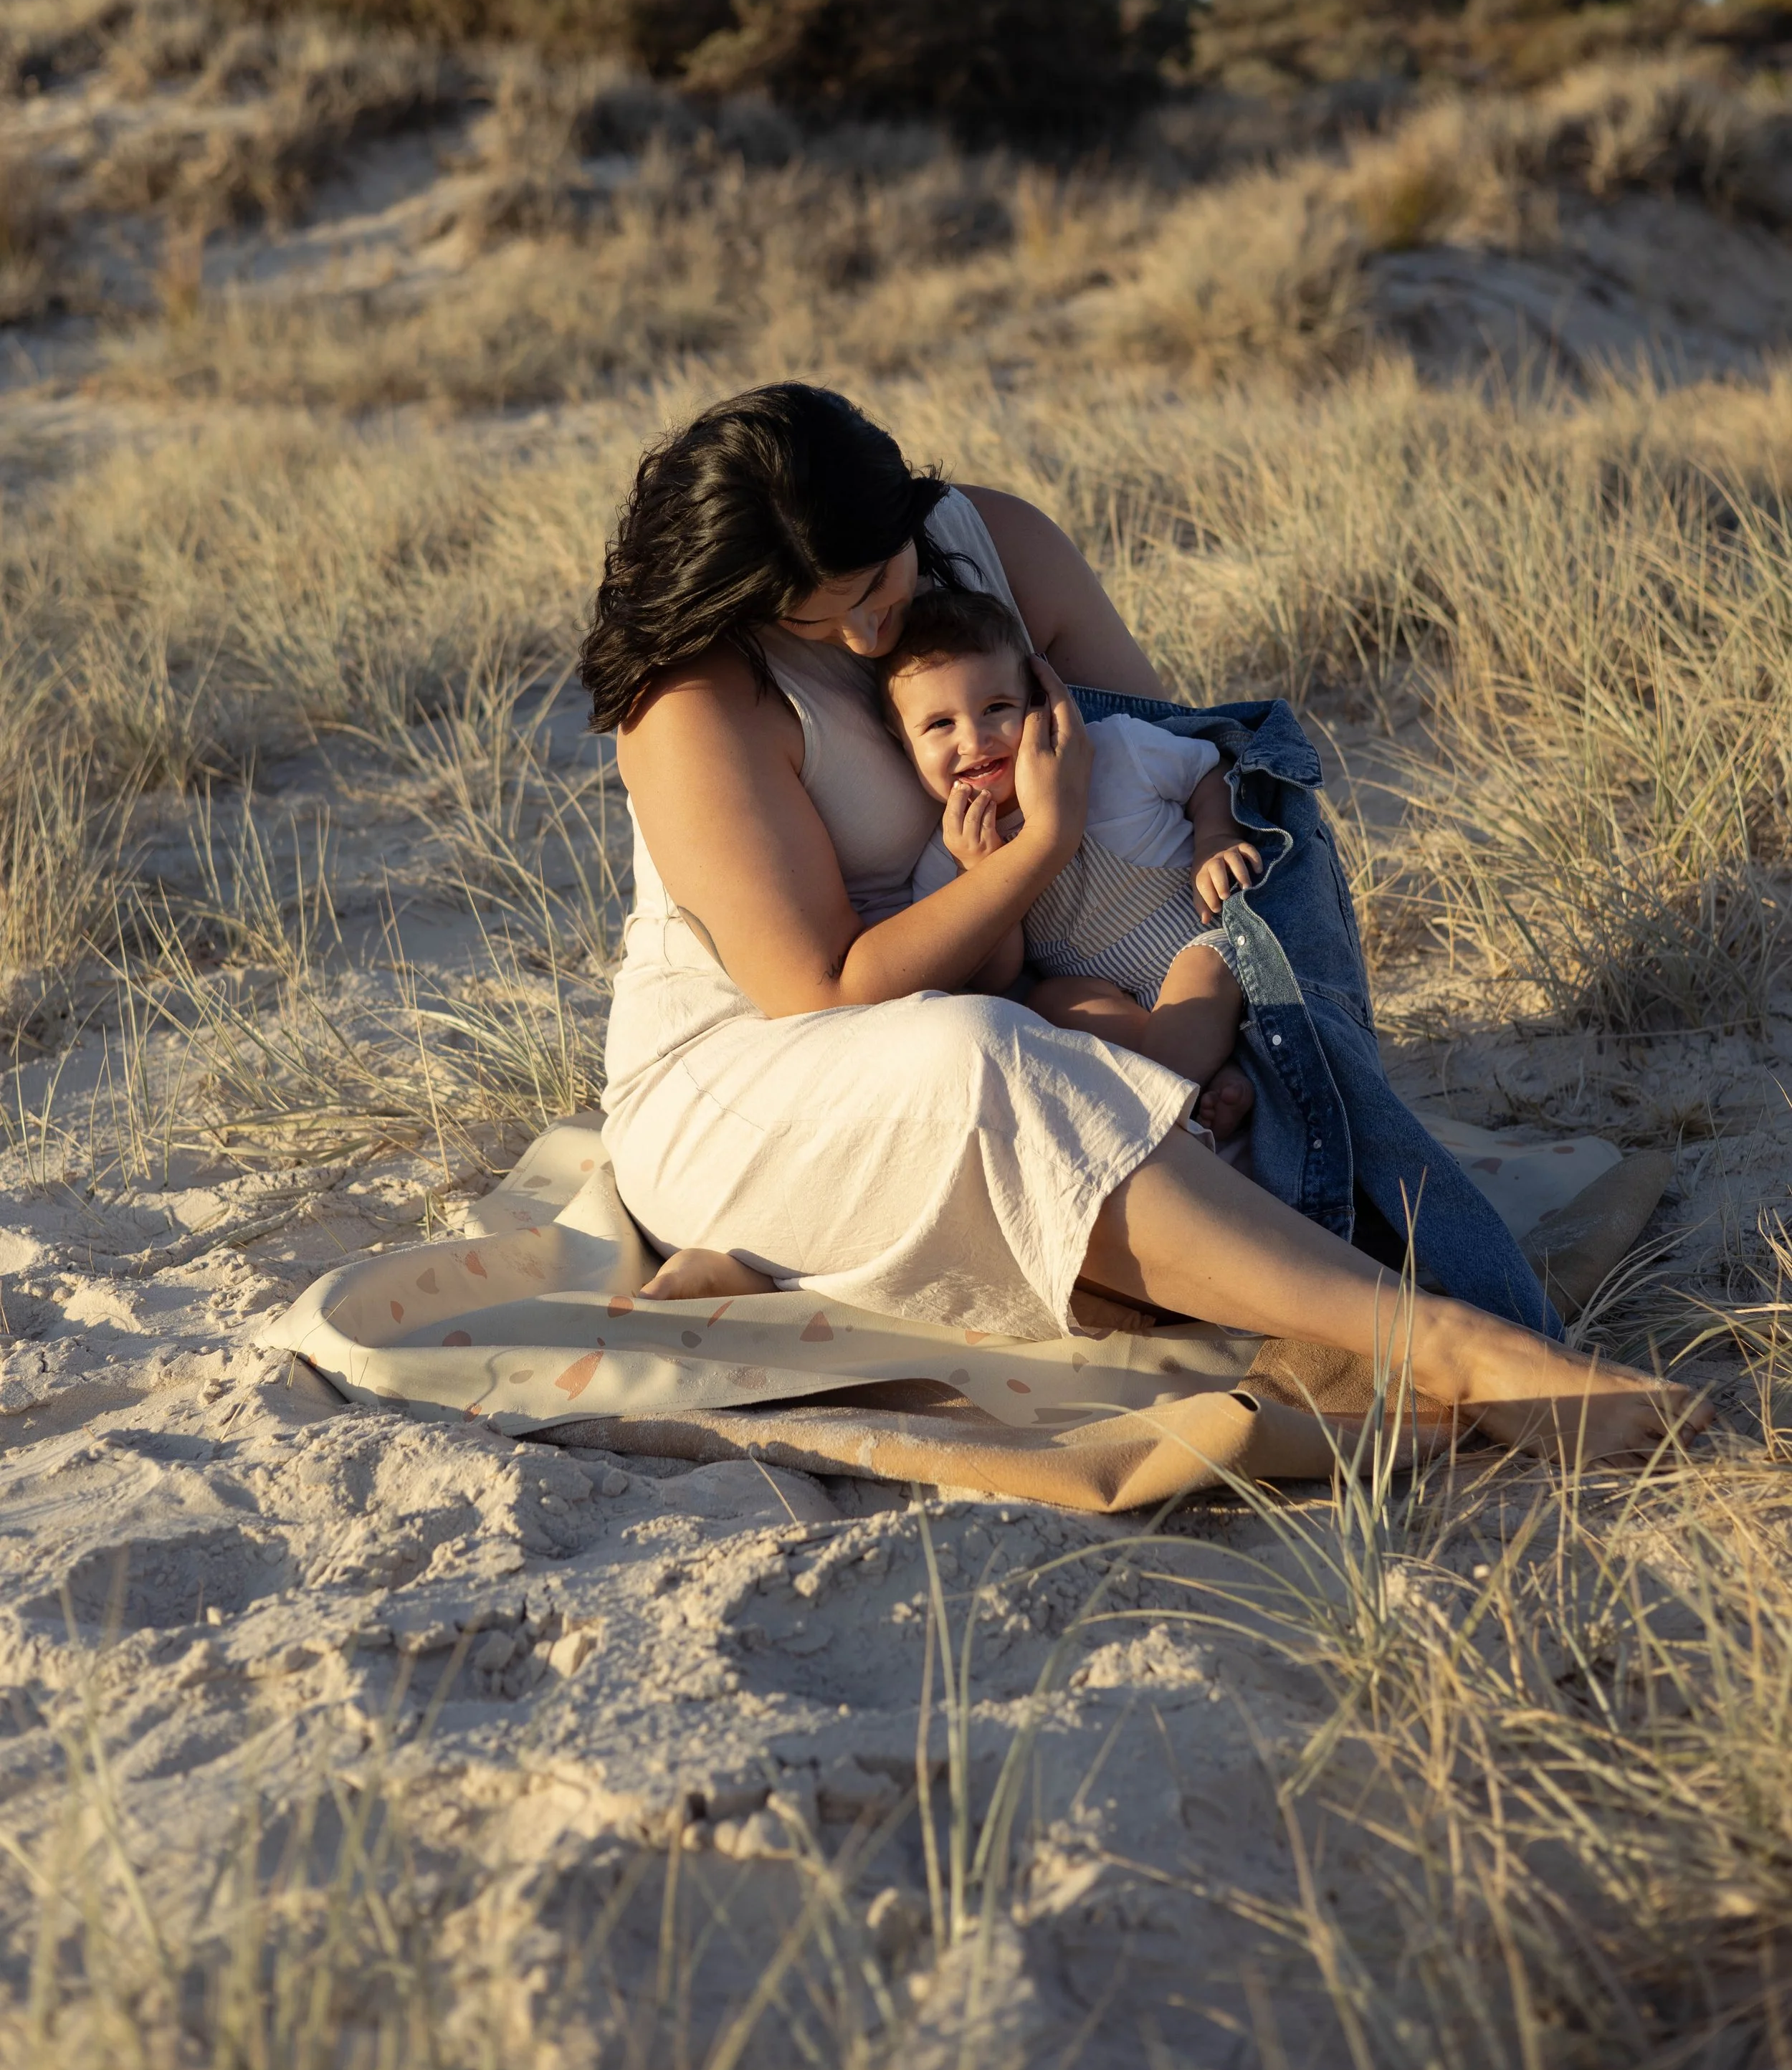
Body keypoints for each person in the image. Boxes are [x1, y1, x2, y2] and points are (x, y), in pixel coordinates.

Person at [582, 381, 1708, 1458]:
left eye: (881, 579)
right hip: (762, 1075)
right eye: (822, 619)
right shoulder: (694, 703)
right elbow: (821, 993)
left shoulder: (996, 544)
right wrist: (1041, 851)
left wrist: (1184, 927)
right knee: (982, 1054)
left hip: (1026, 979)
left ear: (906, 509)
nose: (876, 629)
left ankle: (874, 1255)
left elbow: (1163, 768)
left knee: (1271, 846)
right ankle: (1448, 1345)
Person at [881, 586, 1257, 1141]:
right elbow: (997, 975)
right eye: (940, 726)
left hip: (1205, 941)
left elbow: (1209, 768)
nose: (975, 739)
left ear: (1037, 703)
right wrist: (981, 874)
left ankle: (1165, 1103)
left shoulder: (1114, 751)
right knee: (1048, 1002)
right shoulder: (949, 851)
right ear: (901, 744)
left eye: (996, 709)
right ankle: (1204, 1076)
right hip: (1118, 1001)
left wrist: (1216, 836)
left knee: (1202, 972)